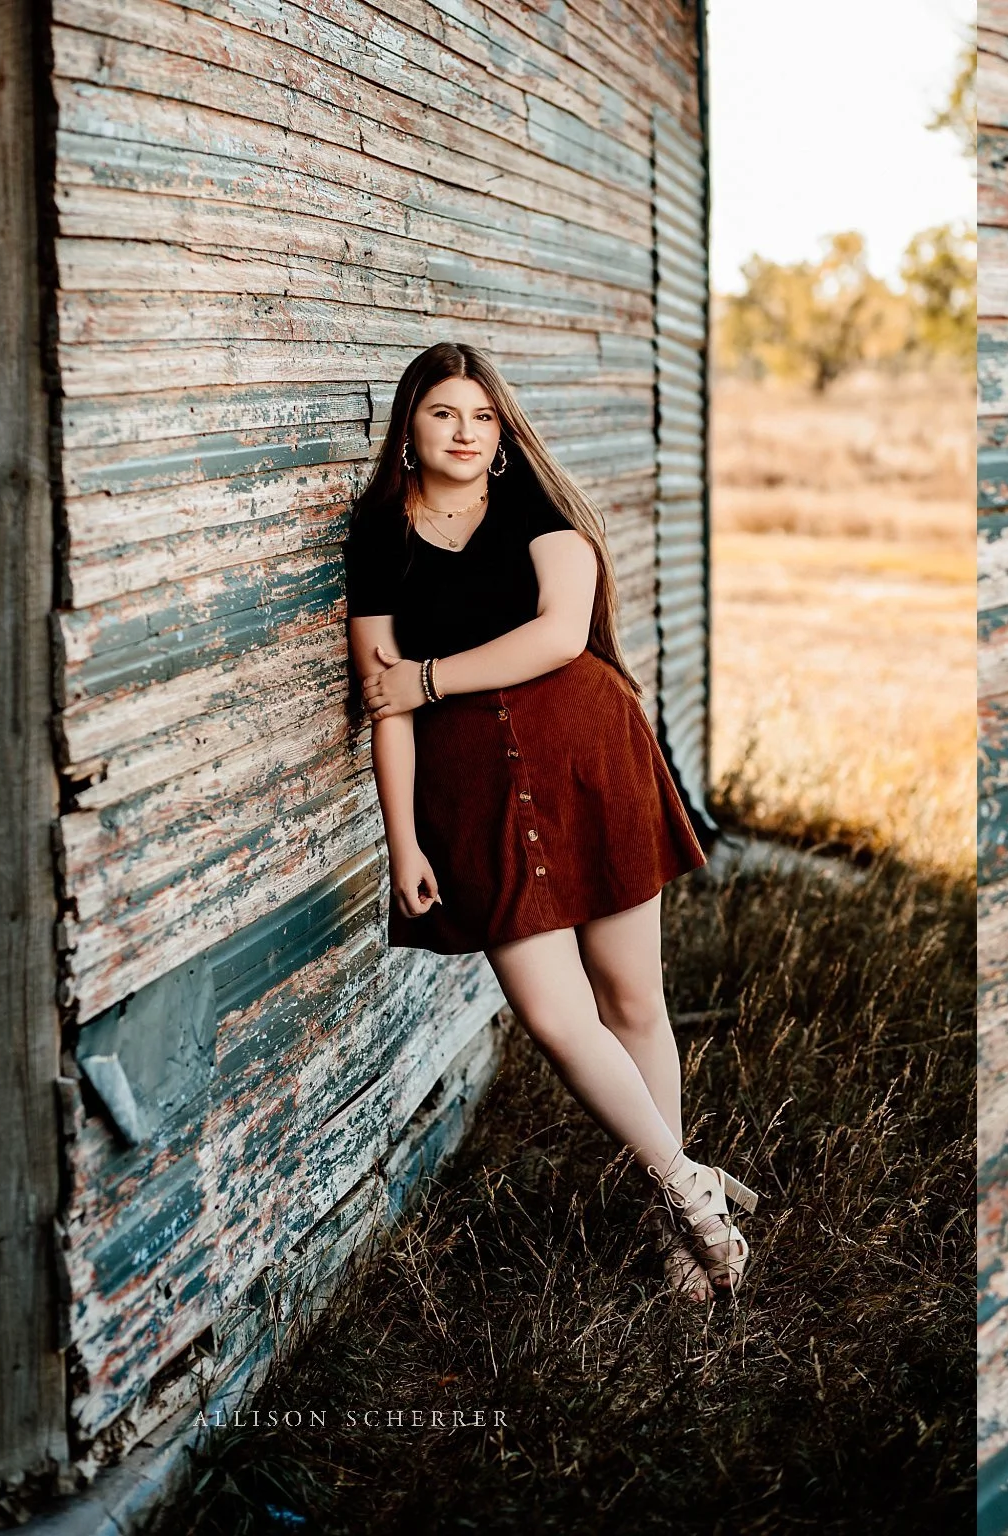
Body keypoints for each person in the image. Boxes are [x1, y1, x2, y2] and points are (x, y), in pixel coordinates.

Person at [343, 340, 757, 1302]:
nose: (465, 431)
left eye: (482, 416)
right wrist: (403, 840)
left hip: (585, 763)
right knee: (552, 1015)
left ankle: (678, 1233)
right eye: (445, 412)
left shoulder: (535, 509)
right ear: (410, 423)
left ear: (501, 432)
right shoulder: (378, 534)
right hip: (472, 794)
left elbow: (559, 635)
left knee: (632, 1002)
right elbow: (385, 704)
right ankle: (694, 1192)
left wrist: (435, 674)